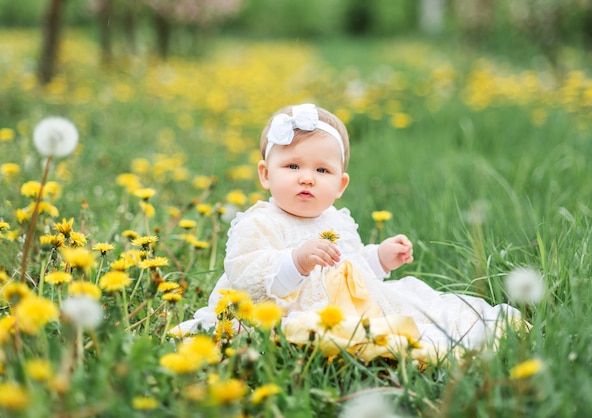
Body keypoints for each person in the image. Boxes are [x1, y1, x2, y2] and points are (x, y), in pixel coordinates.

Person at [175, 103, 523, 363]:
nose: (307, 177)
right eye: (293, 166)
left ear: (340, 184)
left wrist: (379, 258)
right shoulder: (260, 223)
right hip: (282, 313)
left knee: (414, 315)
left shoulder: (336, 221)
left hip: (347, 310)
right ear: (266, 174)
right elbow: (247, 276)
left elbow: (351, 269)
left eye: (322, 169)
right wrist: (296, 261)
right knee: (308, 335)